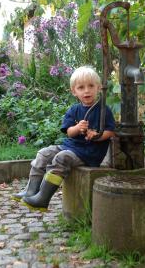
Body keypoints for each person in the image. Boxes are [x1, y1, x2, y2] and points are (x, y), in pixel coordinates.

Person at [13, 65, 115, 211]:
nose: (87, 90)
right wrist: (78, 128)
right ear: (74, 91)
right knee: (44, 153)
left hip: (89, 153)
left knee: (62, 158)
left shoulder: (104, 110)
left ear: (98, 88)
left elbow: (110, 132)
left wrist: (97, 136)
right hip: (71, 146)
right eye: (81, 87)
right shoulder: (74, 110)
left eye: (91, 86)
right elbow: (69, 132)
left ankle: (43, 198)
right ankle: (31, 191)